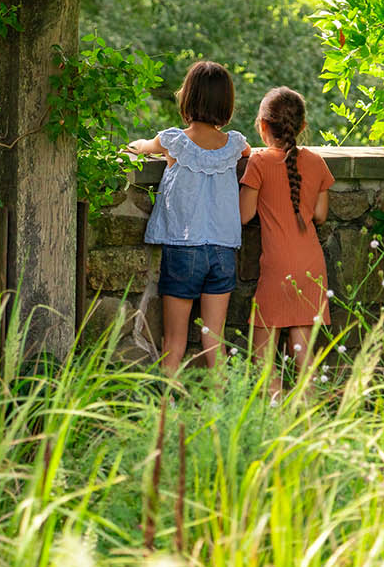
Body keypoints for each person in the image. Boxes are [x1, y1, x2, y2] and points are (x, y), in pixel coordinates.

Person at [128, 60, 249, 374]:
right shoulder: (234, 144)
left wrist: (135, 145)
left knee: (174, 342)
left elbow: (142, 147)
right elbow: (253, 153)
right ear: (226, 103)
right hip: (223, 251)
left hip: (184, 249)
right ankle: (225, 412)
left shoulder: (173, 141)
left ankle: (166, 412)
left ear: (188, 99)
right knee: (215, 341)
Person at [239, 86, 333, 396]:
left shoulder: (260, 162)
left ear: (262, 126)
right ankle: (309, 423)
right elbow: (320, 214)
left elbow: (243, 215)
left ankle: (276, 420)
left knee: (262, 360)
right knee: (304, 359)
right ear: (303, 127)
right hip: (311, 266)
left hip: (277, 267)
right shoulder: (317, 162)